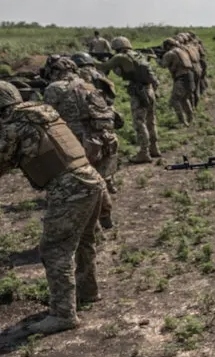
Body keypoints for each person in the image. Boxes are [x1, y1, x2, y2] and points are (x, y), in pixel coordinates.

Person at [0, 81, 105, 335]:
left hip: (69, 188)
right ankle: (88, 290)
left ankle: (63, 314)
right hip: (90, 179)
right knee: (83, 241)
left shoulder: (14, 126)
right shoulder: (40, 114)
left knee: (54, 249)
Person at [42, 57, 117, 229]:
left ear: (55, 72)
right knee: (97, 179)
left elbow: (47, 116)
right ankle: (105, 214)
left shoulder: (54, 88)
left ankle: (92, 225)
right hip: (101, 138)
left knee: (81, 184)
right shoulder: (88, 85)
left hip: (77, 142)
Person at [98, 36, 160, 163]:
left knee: (139, 123)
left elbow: (103, 67)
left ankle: (144, 153)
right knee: (151, 120)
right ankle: (154, 148)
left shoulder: (120, 57)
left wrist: (89, 60)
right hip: (149, 89)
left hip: (138, 92)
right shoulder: (138, 55)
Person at [158, 38, 195, 126]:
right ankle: (190, 118)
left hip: (181, 78)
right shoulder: (181, 51)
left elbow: (163, 65)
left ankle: (182, 121)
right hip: (189, 76)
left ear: (167, 46)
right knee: (184, 99)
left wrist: (157, 59)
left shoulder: (170, 53)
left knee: (174, 100)